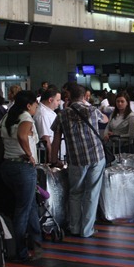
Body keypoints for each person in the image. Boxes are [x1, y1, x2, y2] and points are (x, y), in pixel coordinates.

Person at [51, 83, 108, 238]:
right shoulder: (91, 110)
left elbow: (56, 139)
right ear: (85, 96)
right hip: (96, 156)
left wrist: (53, 158)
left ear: (69, 97)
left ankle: (74, 227)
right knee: (92, 193)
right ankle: (86, 230)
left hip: (75, 159)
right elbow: (105, 118)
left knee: (75, 193)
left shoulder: (62, 114)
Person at [0, 90, 43, 261]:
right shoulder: (25, 117)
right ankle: (19, 251)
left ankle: (36, 242)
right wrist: (30, 154)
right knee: (22, 210)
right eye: (35, 104)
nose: (37, 107)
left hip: (7, 165)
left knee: (30, 205)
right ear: (28, 105)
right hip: (23, 167)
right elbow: (22, 136)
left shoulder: (7, 117)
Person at [34, 86, 62, 163]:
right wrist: (52, 158)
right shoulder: (43, 114)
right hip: (49, 155)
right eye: (58, 100)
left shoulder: (48, 112)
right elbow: (45, 138)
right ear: (50, 100)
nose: (59, 103)